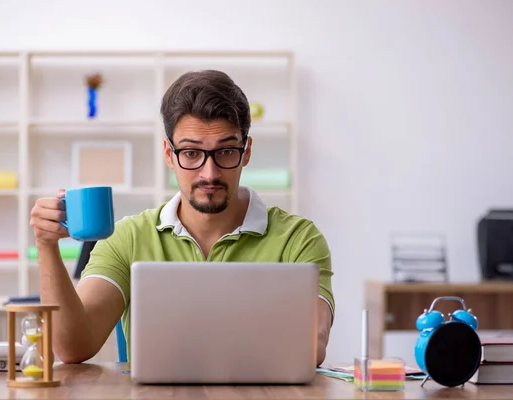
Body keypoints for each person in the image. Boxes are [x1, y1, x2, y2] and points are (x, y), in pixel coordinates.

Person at [30, 69, 335, 366]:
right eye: (191, 153)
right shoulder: (128, 237)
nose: (209, 173)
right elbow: (72, 347)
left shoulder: (299, 239)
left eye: (226, 151)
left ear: (247, 151)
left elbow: (312, 345)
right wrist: (46, 245)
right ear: (168, 154)